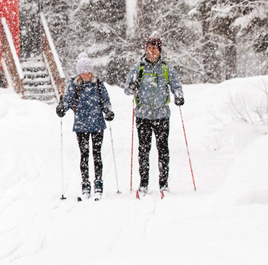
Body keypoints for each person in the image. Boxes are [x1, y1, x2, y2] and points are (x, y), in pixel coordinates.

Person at [124, 33, 185, 196]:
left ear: (159, 50)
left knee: (163, 149)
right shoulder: (138, 68)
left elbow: (176, 85)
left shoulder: (166, 67)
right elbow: (126, 90)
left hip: (162, 114)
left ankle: (163, 184)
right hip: (143, 115)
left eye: (155, 49)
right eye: (149, 48)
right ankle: (143, 184)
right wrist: (132, 85)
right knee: (144, 150)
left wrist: (179, 95)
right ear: (146, 49)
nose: (152, 51)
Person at [56, 53, 114, 198]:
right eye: (83, 72)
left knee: (97, 154)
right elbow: (68, 100)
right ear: (79, 72)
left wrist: (108, 110)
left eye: (88, 71)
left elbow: (106, 100)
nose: (86, 74)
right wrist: (62, 107)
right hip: (81, 125)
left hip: (97, 124)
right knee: (84, 155)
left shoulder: (98, 84)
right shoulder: (74, 85)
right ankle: (85, 182)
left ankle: (98, 182)